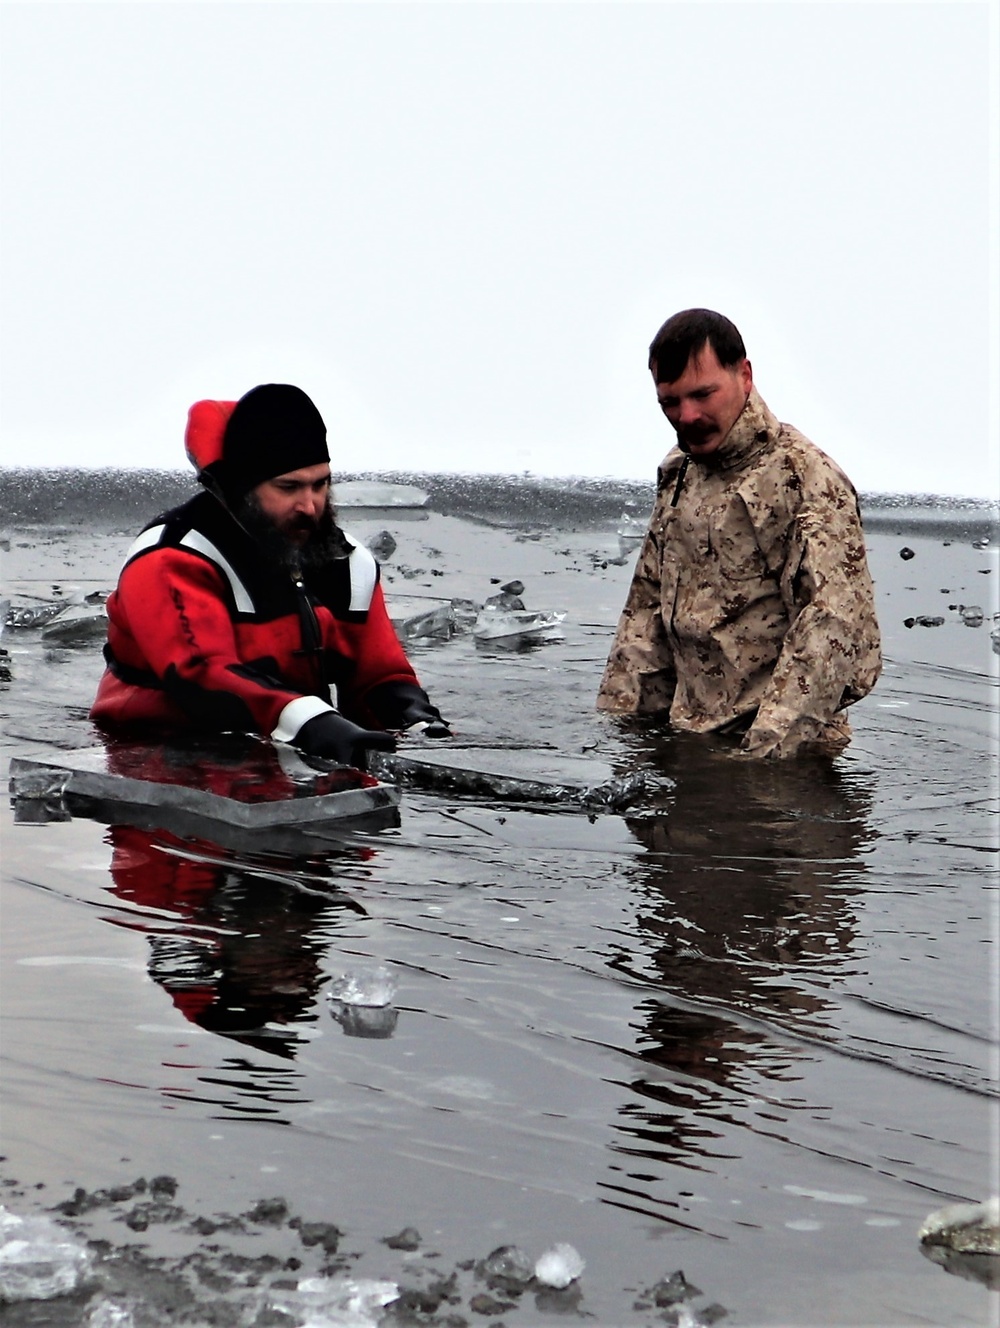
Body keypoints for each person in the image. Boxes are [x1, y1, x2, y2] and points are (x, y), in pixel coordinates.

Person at [92, 383, 450, 766]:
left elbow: (377, 674)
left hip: (286, 744)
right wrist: (312, 722)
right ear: (243, 489)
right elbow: (201, 674)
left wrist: (415, 720)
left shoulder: (347, 563)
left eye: (320, 484)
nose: (310, 507)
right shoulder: (171, 559)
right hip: (156, 758)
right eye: (289, 487)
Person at [598, 309, 881, 758]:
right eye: (670, 402)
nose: (687, 416)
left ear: (744, 375)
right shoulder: (680, 470)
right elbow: (646, 608)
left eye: (703, 394)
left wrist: (758, 766)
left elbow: (834, 629)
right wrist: (624, 735)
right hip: (688, 745)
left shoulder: (803, 478)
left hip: (782, 760)